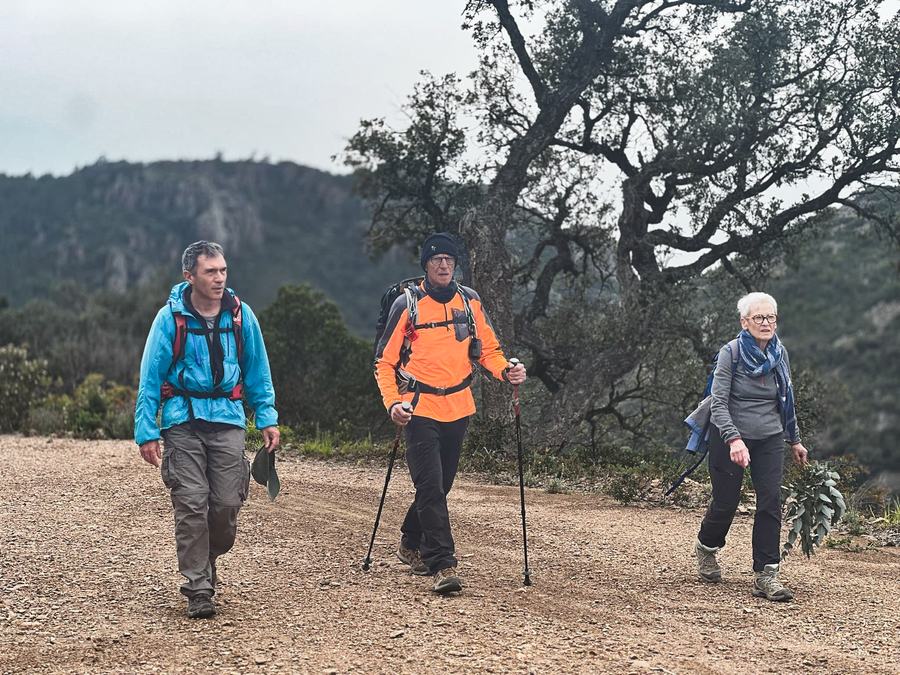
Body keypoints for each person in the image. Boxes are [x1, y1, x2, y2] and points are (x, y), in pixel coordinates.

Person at [374, 232, 526, 594]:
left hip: (458, 406)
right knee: (429, 485)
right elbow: (384, 362)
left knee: (440, 486)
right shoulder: (408, 306)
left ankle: (410, 541)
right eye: (436, 259)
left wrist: (506, 370)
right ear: (426, 265)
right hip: (418, 407)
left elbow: (487, 349)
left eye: (449, 260)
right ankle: (442, 563)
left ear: (456, 265)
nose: (443, 265)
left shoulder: (469, 301)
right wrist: (393, 402)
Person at [134, 241, 280, 618]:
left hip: (228, 419)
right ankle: (198, 587)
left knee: (227, 504)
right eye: (210, 271)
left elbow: (257, 370)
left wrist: (266, 416)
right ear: (190, 276)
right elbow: (150, 378)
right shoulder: (170, 319)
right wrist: (146, 431)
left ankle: (207, 556)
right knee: (191, 502)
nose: (219, 278)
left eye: (223, 270)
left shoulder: (241, 316)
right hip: (182, 421)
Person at [694, 292, 809, 601]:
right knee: (726, 502)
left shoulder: (779, 354)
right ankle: (706, 547)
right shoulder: (730, 353)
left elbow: (787, 401)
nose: (766, 323)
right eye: (759, 317)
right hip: (728, 435)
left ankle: (766, 574)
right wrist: (733, 439)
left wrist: (794, 439)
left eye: (771, 317)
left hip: (769, 437)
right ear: (744, 322)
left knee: (771, 501)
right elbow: (718, 403)